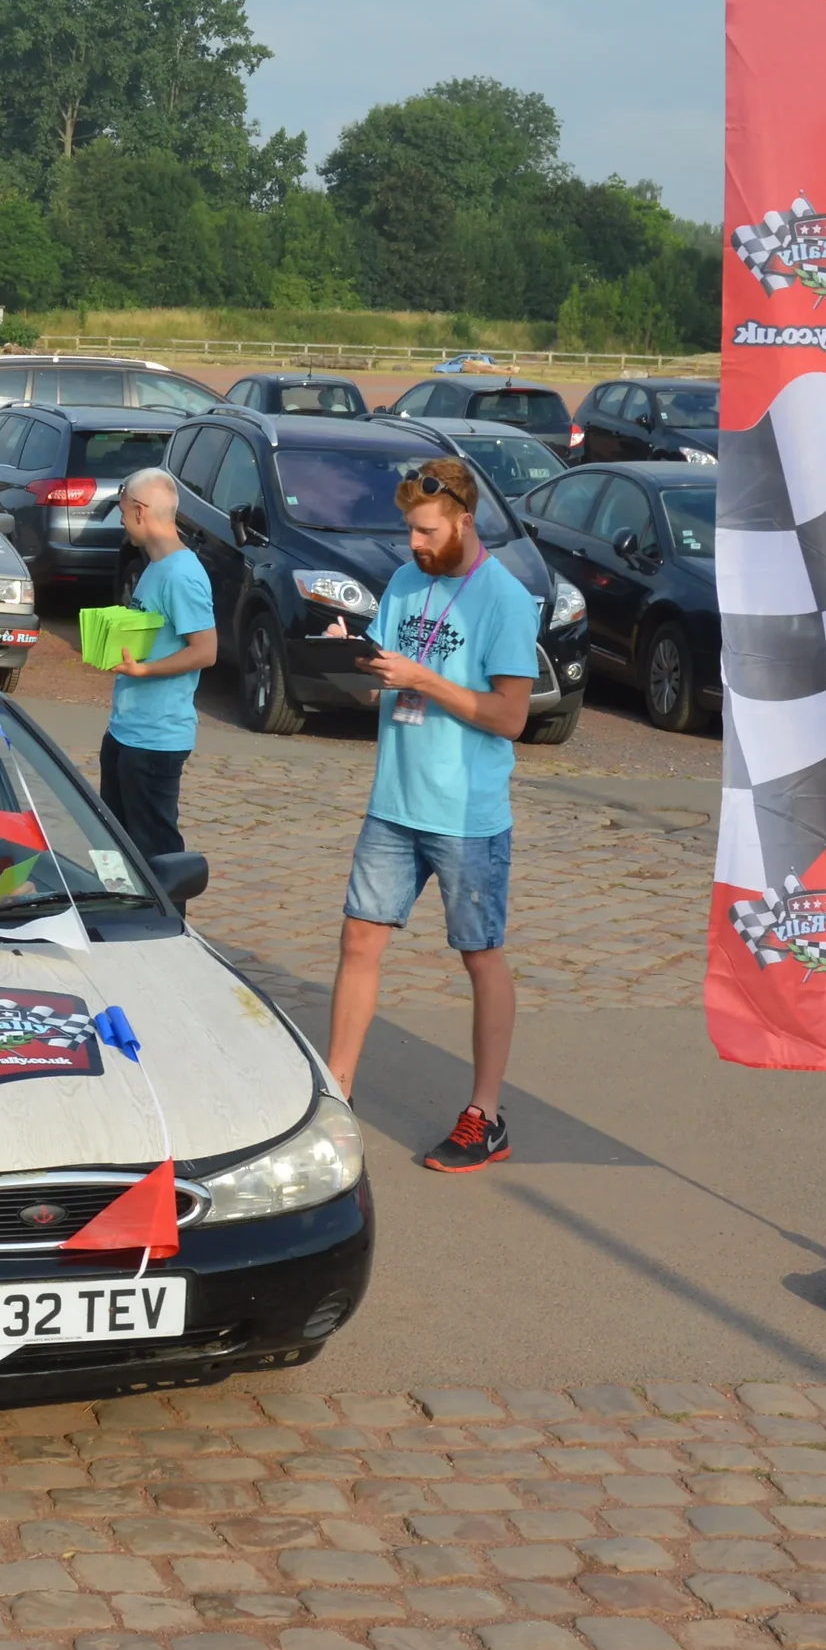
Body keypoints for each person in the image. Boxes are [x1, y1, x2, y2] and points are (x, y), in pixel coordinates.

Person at [322, 455, 540, 1174]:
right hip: (396, 799)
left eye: (424, 530)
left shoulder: (504, 599)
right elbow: (388, 669)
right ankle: (337, 1093)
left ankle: (486, 1113)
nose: (412, 544)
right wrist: (359, 662)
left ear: (463, 519)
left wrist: (423, 679)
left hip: (466, 813)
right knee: (359, 939)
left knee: (480, 954)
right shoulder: (407, 581)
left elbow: (509, 717)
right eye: (409, 530)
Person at [102, 468, 218, 868]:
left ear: (139, 511)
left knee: (156, 852)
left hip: (156, 740)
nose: (119, 519)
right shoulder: (155, 565)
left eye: (121, 510)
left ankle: (170, 926)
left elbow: (205, 651)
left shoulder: (182, 574)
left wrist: (145, 672)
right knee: (114, 847)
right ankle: (123, 922)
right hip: (126, 729)